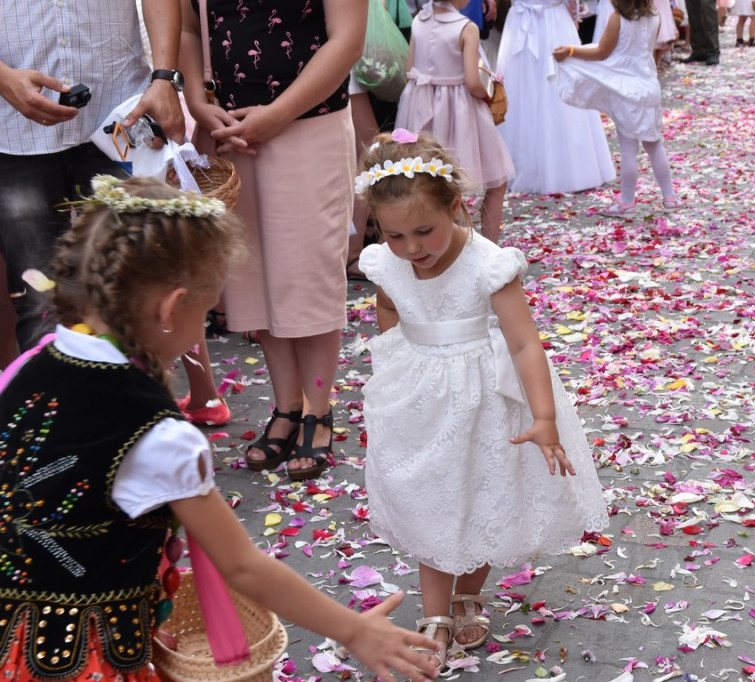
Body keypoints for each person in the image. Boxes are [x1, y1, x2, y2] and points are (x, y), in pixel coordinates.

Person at [0, 176, 439, 682]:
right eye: (208, 310)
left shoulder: (29, 366)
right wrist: (355, 630)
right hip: (83, 659)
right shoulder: (158, 436)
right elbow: (242, 566)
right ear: (170, 308)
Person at [355, 131, 608, 669]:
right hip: (423, 399)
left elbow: (523, 341)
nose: (412, 248)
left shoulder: (487, 264)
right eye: (395, 234)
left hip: (487, 397)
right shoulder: (387, 261)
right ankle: (435, 613)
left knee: (482, 496)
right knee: (434, 501)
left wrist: (543, 417)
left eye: (424, 230)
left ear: (455, 206)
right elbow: (391, 313)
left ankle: (469, 589)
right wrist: (397, 368)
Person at [179, 0, 364, 481]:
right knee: (255, 276)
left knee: (309, 271)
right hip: (232, 131)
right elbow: (188, 28)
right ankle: (287, 406)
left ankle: (317, 410)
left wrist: (276, 115)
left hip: (309, 122)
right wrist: (199, 103)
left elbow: (347, 40)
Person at [0, 0, 186, 354]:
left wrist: (164, 78)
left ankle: (133, 406)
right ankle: (55, 407)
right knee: (38, 303)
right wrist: (4, 79)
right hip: (13, 131)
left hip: (119, 117)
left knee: (136, 289)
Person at [395, 0, 515, 241]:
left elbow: (409, 68)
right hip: (458, 110)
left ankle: (448, 247)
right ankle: (488, 248)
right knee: (496, 180)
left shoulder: (419, 20)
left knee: (436, 181)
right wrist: (489, 93)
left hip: (420, 102)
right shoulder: (466, 28)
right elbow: (472, 81)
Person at [551, 0, 681, 215]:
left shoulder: (618, 19)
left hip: (626, 89)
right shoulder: (655, 16)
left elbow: (602, 52)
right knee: (655, 145)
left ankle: (627, 201)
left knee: (629, 149)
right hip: (649, 85)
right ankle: (670, 198)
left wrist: (572, 51)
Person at [496, 0, 617, 194]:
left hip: (533, 21)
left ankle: (522, 167)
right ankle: (567, 168)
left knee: (530, 88)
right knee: (538, 88)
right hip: (547, 21)